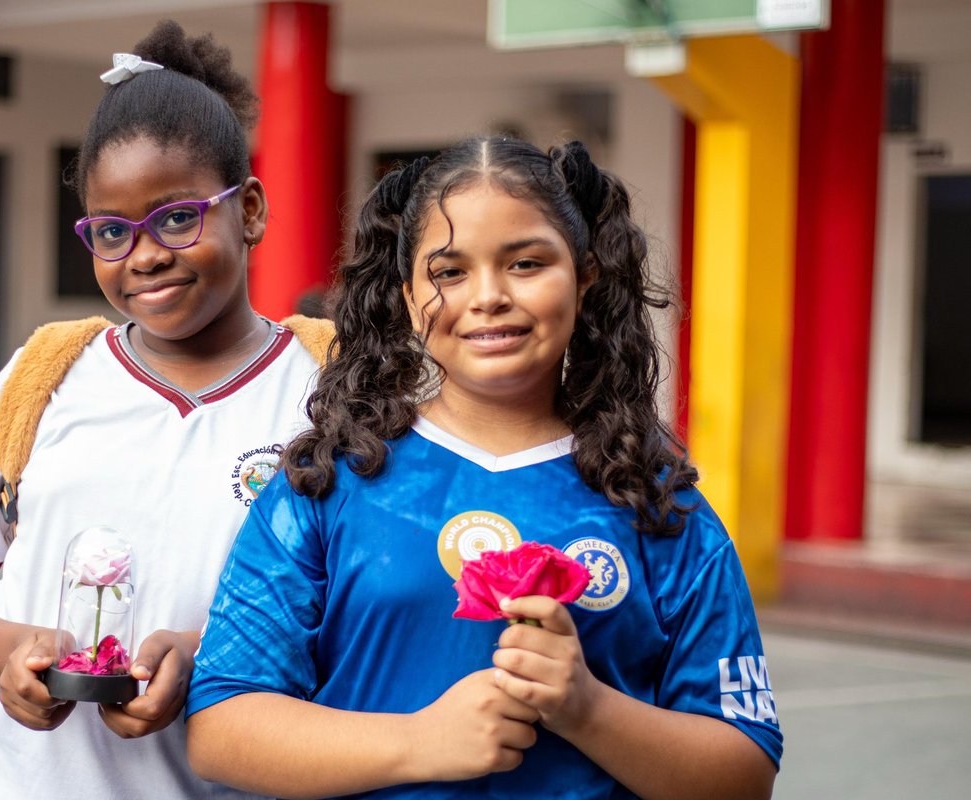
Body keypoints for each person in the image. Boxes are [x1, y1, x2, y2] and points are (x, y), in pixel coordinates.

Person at [184, 136, 782, 799]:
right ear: (410, 296)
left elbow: (744, 775)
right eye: (449, 272)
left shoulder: (659, 505)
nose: (489, 295)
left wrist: (587, 707)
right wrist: (417, 743)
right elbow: (222, 728)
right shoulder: (325, 484)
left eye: (526, 263)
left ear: (585, 276)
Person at [0, 20, 323, 799]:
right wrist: (18, 652)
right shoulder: (47, 378)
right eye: (112, 232)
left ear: (249, 209)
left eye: (179, 217)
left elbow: (364, 623)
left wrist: (205, 654)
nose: (145, 255)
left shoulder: (328, 393)